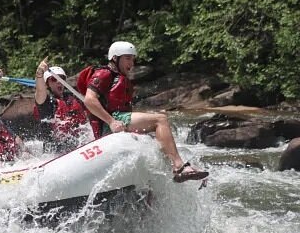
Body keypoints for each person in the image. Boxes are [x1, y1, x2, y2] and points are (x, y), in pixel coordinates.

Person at [83, 41, 209, 183]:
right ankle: (179, 167)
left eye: (133, 59)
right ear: (115, 58)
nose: (132, 63)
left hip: (120, 119)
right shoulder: (103, 73)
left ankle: (170, 173)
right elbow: (89, 100)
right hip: (111, 122)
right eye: (127, 58)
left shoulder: (120, 77)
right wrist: (111, 122)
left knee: (155, 137)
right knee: (160, 119)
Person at [34, 58, 101, 153]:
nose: (58, 81)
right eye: (54, 79)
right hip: (55, 152)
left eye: (61, 78)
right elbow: (40, 90)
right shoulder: (46, 103)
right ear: (47, 84)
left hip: (79, 143)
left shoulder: (73, 98)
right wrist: (40, 74)